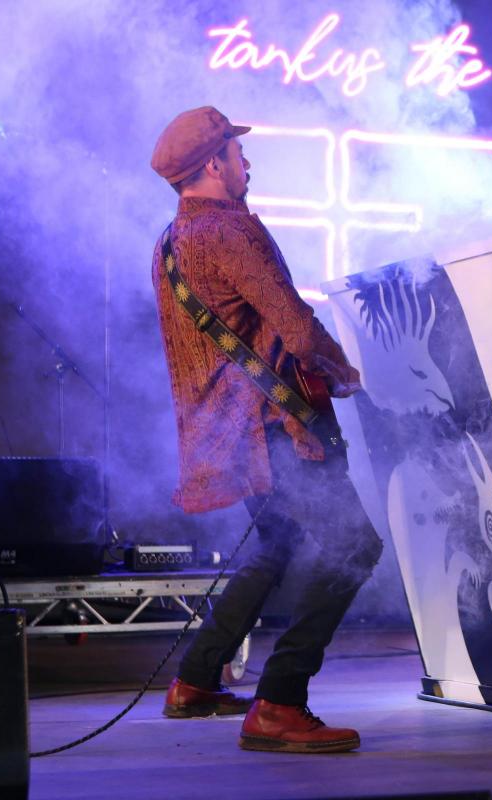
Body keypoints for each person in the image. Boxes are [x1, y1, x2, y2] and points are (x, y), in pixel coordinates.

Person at [149, 106, 383, 753]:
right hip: (274, 428)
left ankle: (196, 681)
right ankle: (279, 701)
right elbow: (294, 323)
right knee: (356, 547)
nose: (246, 163)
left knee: (273, 543)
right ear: (212, 164)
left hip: (229, 439)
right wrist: (349, 373)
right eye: (236, 152)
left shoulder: (168, 245)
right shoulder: (229, 231)